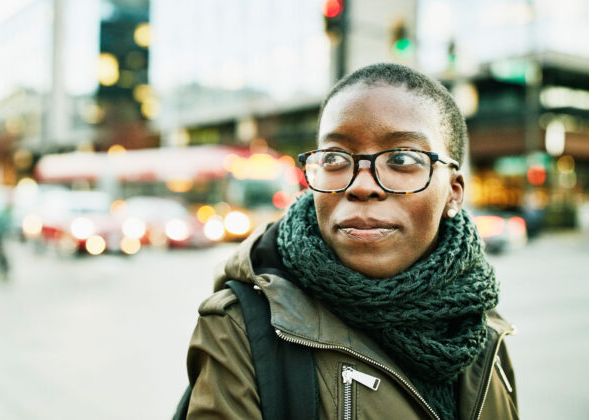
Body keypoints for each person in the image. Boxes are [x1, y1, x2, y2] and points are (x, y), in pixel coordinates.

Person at [183, 63, 518, 419]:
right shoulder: (240, 331)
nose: (361, 185)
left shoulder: (481, 327)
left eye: (402, 158)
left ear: (453, 193)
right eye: (334, 157)